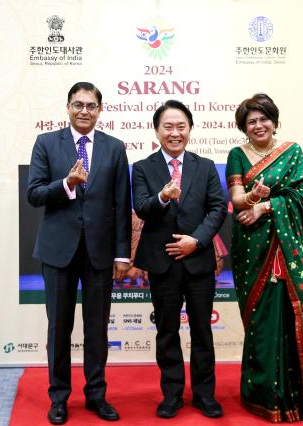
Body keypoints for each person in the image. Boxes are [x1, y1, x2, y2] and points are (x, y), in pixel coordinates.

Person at [27, 82, 131, 425]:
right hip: (58, 251)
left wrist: (121, 255)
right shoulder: (46, 143)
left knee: (97, 328)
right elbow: (35, 194)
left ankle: (96, 396)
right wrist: (67, 184)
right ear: (67, 108)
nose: (84, 110)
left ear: (100, 110)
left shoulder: (115, 148)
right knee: (59, 328)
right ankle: (58, 398)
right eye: (78, 104)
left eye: (91, 105)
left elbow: (121, 205)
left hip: (100, 253)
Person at [225, 93, 303, 422]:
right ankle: (261, 395)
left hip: (288, 249)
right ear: (244, 127)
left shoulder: (293, 153)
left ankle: (292, 398)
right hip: (252, 249)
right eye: (251, 121)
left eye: (263, 119)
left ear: (274, 121)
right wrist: (252, 197)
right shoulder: (238, 155)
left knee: (288, 318)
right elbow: (237, 199)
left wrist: (267, 206)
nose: (258, 125)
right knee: (261, 324)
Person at [132, 100, 227, 419]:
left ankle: (204, 394)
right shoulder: (143, 168)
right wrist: (162, 197)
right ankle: (171, 394)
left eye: (181, 126)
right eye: (168, 127)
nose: (175, 133)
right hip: (162, 263)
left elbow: (217, 209)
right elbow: (142, 207)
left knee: (202, 330)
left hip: (198, 261)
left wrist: (196, 241)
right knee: (167, 331)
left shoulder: (205, 166)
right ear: (157, 130)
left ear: (190, 129)